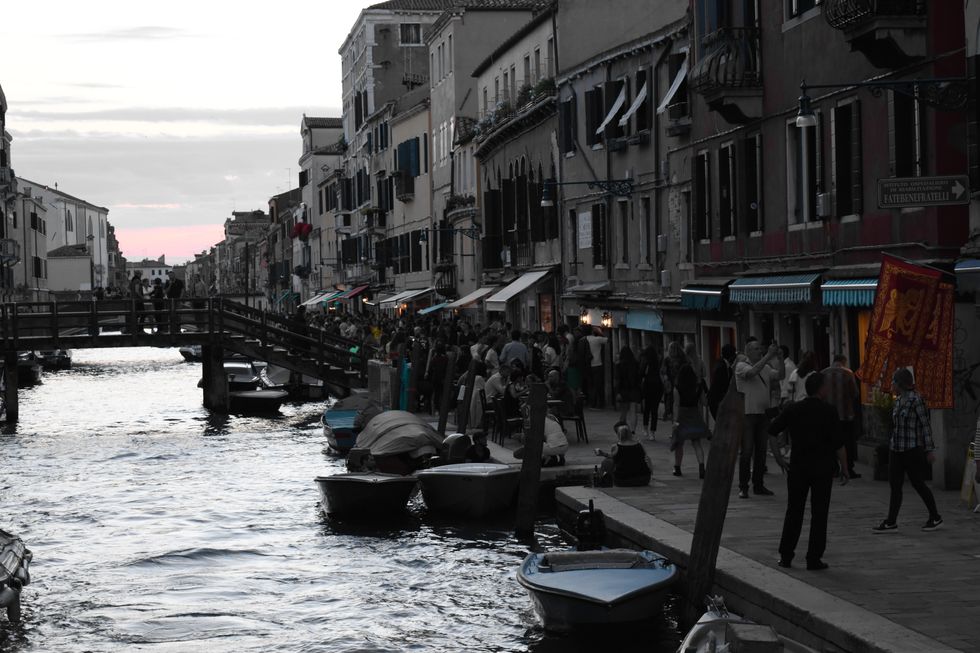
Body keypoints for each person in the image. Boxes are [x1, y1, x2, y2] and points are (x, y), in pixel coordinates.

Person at [768, 372, 849, 570]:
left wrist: (778, 458)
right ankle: (813, 558)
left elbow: (772, 431)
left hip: (798, 467)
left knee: (794, 511)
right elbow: (839, 444)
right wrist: (845, 468)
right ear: (821, 389)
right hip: (822, 468)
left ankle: (786, 555)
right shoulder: (829, 411)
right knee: (819, 513)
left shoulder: (793, 409)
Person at [873, 368, 943, 533]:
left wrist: (929, 449)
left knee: (918, 483)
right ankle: (891, 522)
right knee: (895, 485)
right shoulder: (898, 401)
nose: (892, 385)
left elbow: (925, 426)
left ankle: (935, 517)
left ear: (900, 384)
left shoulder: (916, 400)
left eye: (894, 382)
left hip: (911, 449)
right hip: (896, 448)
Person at [734, 338, 785, 498]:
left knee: (761, 452)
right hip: (747, 414)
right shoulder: (741, 366)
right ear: (748, 351)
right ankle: (743, 486)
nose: (760, 351)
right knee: (747, 451)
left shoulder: (766, 367)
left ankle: (759, 485)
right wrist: (768, 356)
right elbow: (752, 373)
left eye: (760, 348)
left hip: (763, 414)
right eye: (756, 349)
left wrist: (780, 359)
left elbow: (780, 375)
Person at [822, 355, 861, 479]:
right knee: (847, 442)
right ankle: (848, 468)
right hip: (845, 414)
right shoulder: (848, 373)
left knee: (830, 442)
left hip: (828, 416)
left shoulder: (823, 373)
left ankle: (833, 468)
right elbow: (854, 393)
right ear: (844, 361)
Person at [672, 363, 708, 479]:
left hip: (682, 415)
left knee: (679, 443)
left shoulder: (677, 388)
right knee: (697, 443)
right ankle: (702, 468)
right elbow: (704, 402)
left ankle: (677, 468)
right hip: (694, 414)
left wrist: (675, 421)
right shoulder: (698, 387)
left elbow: (676, 405)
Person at [596, 422, 653, 487]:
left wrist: (603, 454)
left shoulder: (616, 447)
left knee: (606, 462)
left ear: (619, 435)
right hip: (644, 479)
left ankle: (603, 483)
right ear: (630, 434)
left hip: (623, 481)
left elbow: (613, 459)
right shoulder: (640, 445)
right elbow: (647, 459)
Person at [639, 345, 664, 441]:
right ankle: (652, 432)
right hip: (658, 387)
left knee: (647, 409)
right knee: (654, 410)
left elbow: (641, 373)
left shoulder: (646, 362)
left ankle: (645, 428)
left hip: (648, 386)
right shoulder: (659, 361)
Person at [615, 346, 642, 434]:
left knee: (623, 412)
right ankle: (633, 430)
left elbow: (618, 380)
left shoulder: (619, 365)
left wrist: (618, 392)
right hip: (634, 389)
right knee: (633, 411)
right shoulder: (636, 364)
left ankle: (622, 431)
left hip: (623, 390)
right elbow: (639, 377)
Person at [707, 344, 737, 420]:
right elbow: (719, 387)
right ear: (731, 356)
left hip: (717, 401)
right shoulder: (721, 367)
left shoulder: (723, 365)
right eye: (735, 354)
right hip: (716, 402)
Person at [661, 342, 686, 421]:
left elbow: (663, 372)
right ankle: (677, 418)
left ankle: (673, 418)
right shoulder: (683, 359)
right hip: (680, 383)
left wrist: (666, 379)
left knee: (672, 402)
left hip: (672, 383)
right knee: (679, 402)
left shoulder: (667, 359)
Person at [585, 327, 609, 409]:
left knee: (591, 385)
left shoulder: (585, 339)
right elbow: (608, 340)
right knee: (598, 385)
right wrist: (601, 333)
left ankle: (592, 403)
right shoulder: (597, 339)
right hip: (597, 364)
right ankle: (600, 403)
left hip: (588, 365)